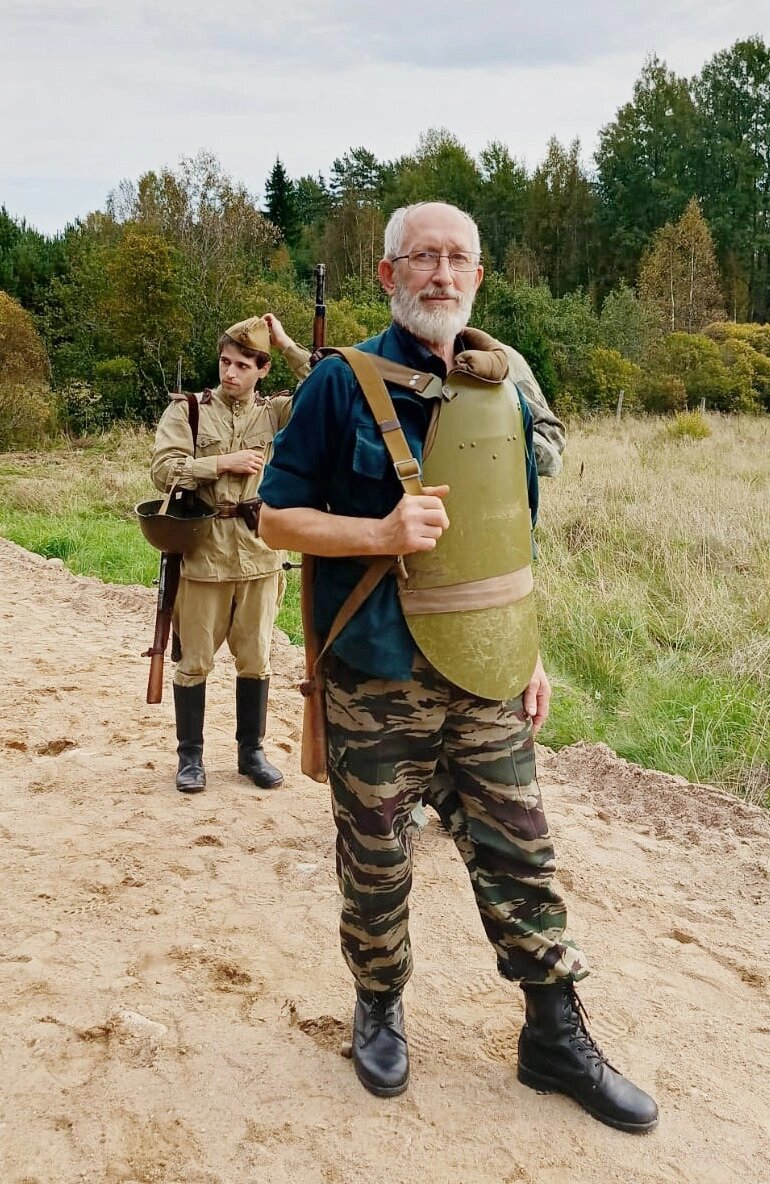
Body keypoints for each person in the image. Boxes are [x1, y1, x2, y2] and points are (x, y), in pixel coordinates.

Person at [258, 202, 658, 1133]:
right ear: (389, 275)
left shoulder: (505, 387)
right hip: (375, 675)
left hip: (487, 673)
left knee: (522, 853)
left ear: (479, 276)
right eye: (422, 257)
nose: (442, 273)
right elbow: (275, 518)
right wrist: (378, 533)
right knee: (377, 859)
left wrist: (530, 650)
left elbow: (502, 536)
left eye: (459, 259)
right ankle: (380, 1003)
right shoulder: (339, 385)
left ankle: (554, 1034)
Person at [150, 313, 309, 794]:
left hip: (260, 555)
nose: (230, 373)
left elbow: (325, 382)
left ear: (261, 369)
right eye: (225, 361)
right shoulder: (191, 411)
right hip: (204, 556)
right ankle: (190, 758)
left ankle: (251, 753)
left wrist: (285, 344)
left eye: (243, 364)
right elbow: (163, 470)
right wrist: (220, 462)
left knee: (256, 659)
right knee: (194, 661)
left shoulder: (275, 413)